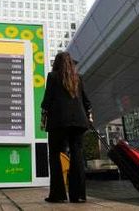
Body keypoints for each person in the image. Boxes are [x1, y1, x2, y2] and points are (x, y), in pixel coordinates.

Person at [41, 52, 92, 203]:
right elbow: (87, 102)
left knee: (56, 156)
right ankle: (79, 196)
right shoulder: (78, 78)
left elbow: (47, 101)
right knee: (77, 156)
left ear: (56, 63)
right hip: (79, 122)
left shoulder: (53, 77)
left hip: (59, 123)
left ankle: (58, 195)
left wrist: (44, 111)